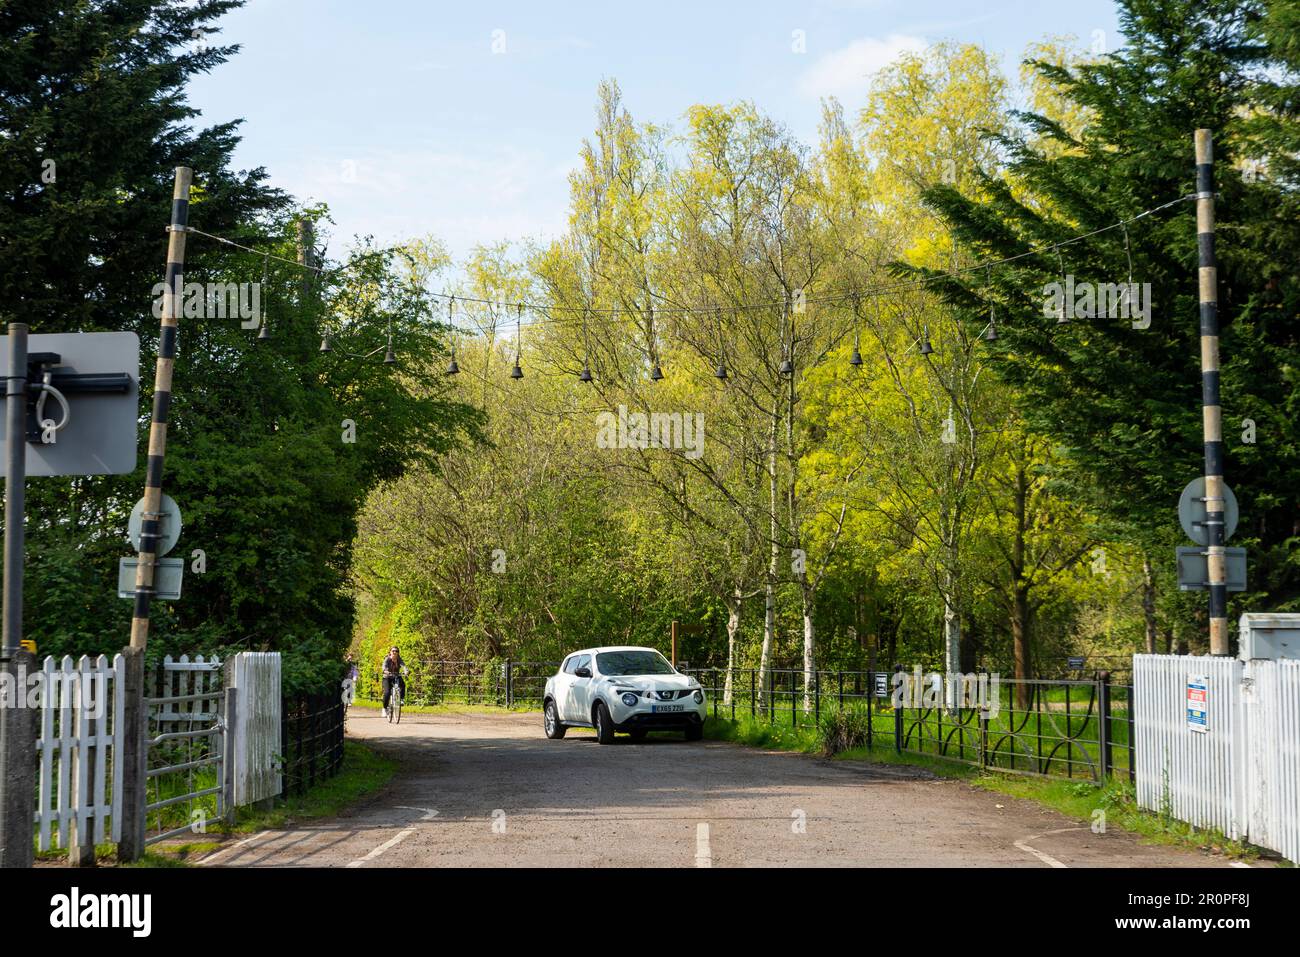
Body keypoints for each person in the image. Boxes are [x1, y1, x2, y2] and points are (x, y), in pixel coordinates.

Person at [381, 646, 407, 717]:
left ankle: (401, 699)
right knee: (387, 693)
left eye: (396, 651)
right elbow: (384, 666)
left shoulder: (399, 659)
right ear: (390, 652)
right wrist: (385, 671)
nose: (395, 652)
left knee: (403, 684)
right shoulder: (387, 659)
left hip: (396, 676)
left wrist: (406, 671)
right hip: (387, 677)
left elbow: (404, 666)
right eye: (393, 651)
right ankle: (384, 708)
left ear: (398, 653)